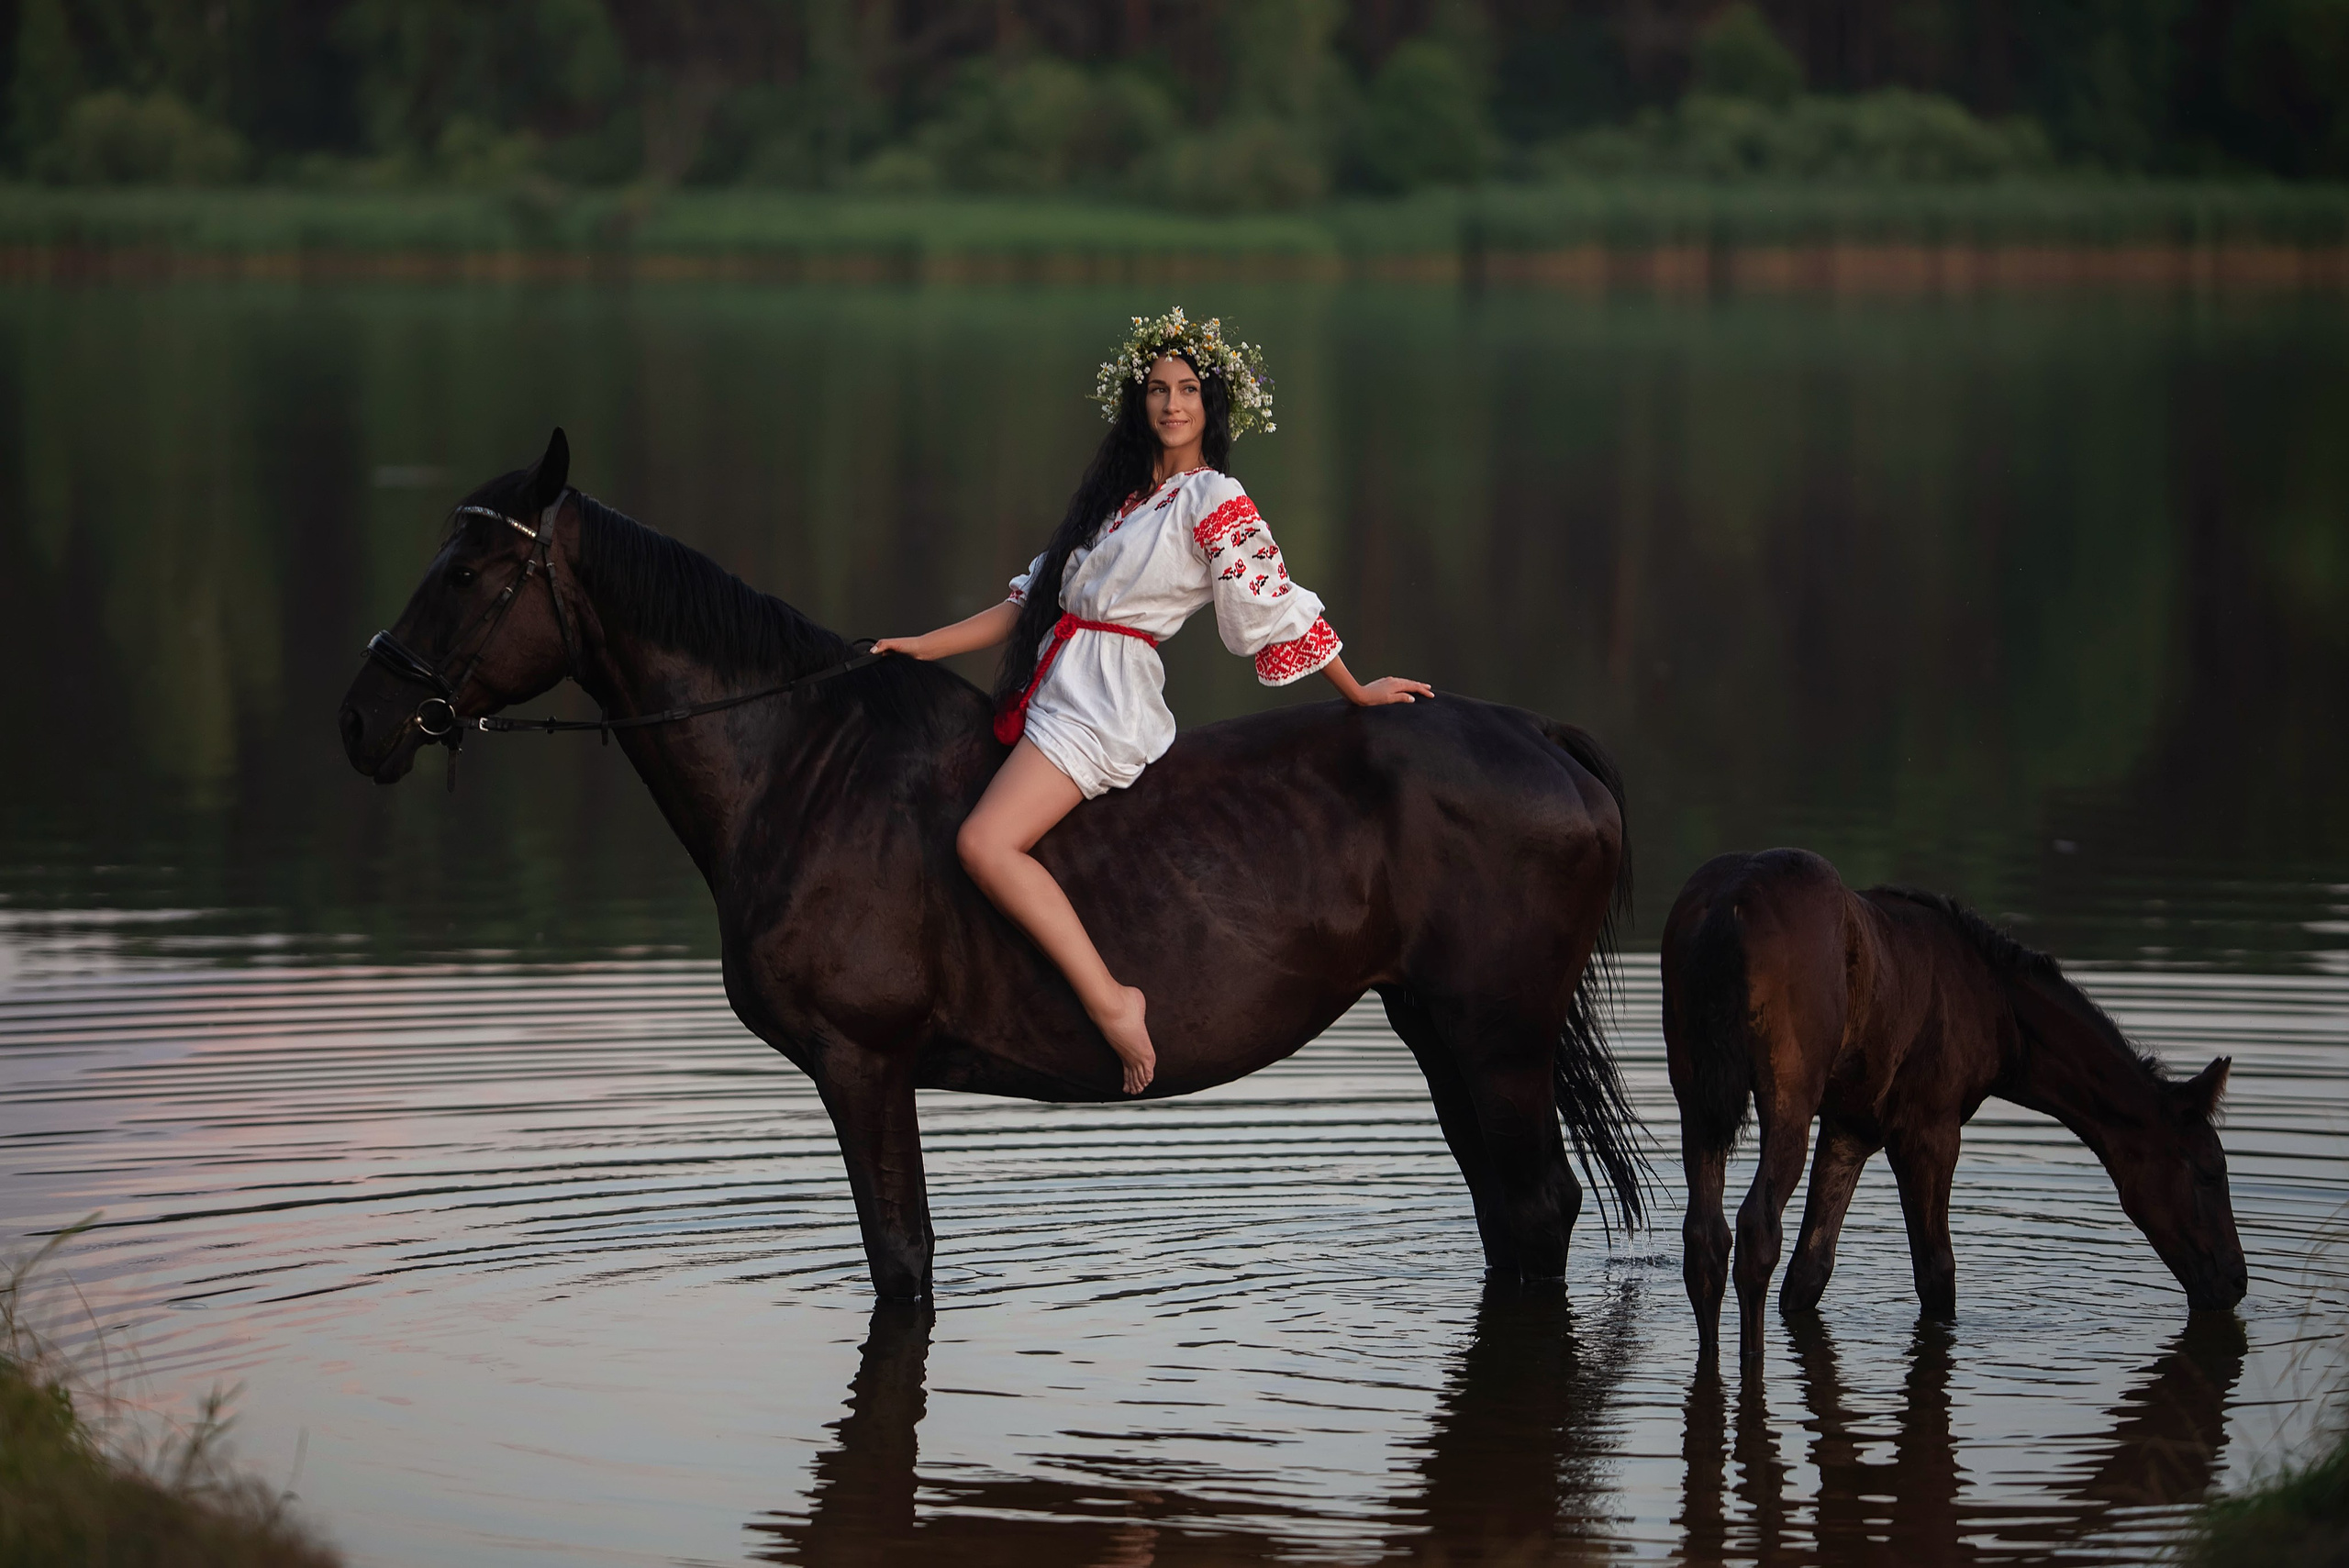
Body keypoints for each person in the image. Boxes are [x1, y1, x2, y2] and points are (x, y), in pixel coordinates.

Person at [874, 308, 1431, 1096]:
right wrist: (916, 648)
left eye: (1189, 390)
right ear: (1141, 403)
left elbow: (1275, 599)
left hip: (1104, 699)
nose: (1173, 405)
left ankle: (1112, 1002)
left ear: (1211, 406)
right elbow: (1030, 602)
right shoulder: (1120, 499)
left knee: (985, 845)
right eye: (1160, 390)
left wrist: (1357, 688)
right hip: (1058, 674)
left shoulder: (1210, 498)